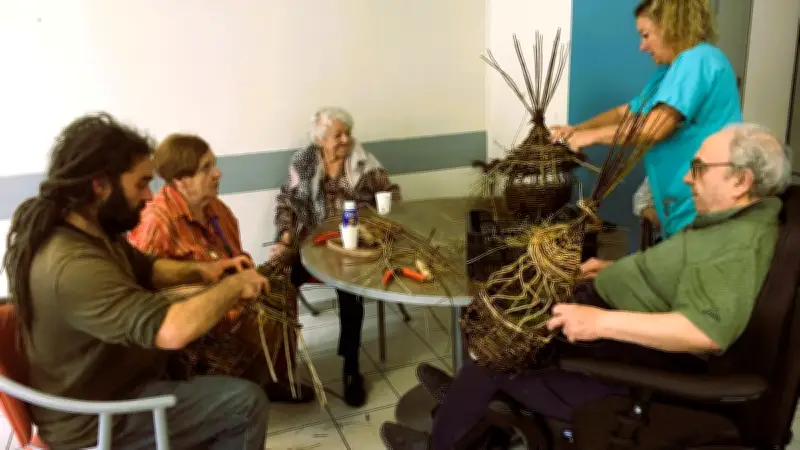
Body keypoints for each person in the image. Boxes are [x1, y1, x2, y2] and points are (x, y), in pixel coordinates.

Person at [380, 122, 793, 449]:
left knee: (499, 351)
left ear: (741, 181)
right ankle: (468, 404)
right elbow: (683, 277)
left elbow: (704, 332)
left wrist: (597, 323)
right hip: (614, 318)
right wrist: (613, 269)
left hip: (628, 362)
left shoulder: (737, 246)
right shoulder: (731, 225)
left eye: (699, 167)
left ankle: (448, 432)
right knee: (504, 323)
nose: (687, 178)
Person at [3, 113, 270, 450]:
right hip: (99, 417)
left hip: (118, 383)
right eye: (141, 184)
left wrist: (204, 271)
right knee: (243, 404)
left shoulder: (93, 228)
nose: (149, 196)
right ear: (100, 186)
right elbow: (171, 331)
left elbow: (148, 268)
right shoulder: (72, 265)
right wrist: (232, 287)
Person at [128, 133, 314, 403]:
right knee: (263, 320)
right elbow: (144, 290)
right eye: (206, 169)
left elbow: (236, 254)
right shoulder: (157, 222)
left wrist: (244, 271)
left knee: (283, 291)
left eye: (214, 164)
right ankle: (240, 397)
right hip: (197, 321)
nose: (217, 173)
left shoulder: (216, 209)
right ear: (181, 179)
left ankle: (277, 379)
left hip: (230, 299)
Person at [550, 0, 742, 239]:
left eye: (646, 35)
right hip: (679, 200)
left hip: (703, 200)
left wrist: (588, 138)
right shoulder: (668, 72)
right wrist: (576, 129)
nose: (642, 46)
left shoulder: (698, 59)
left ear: (672, 26)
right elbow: (627, 112)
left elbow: (654, 127)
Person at [273, 106, 401, 406]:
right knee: (277, 284)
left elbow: (392, 194)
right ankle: (283, 369)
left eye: (347, 133)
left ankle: (351, 369)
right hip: (308, 246)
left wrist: (374, 224)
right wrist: (285, 238)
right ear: (320, 139)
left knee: (350, 292)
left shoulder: (364, 164)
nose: (346, 140)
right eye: (338, 135)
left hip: (351, 244)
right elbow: (286, 203)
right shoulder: (303, 161)